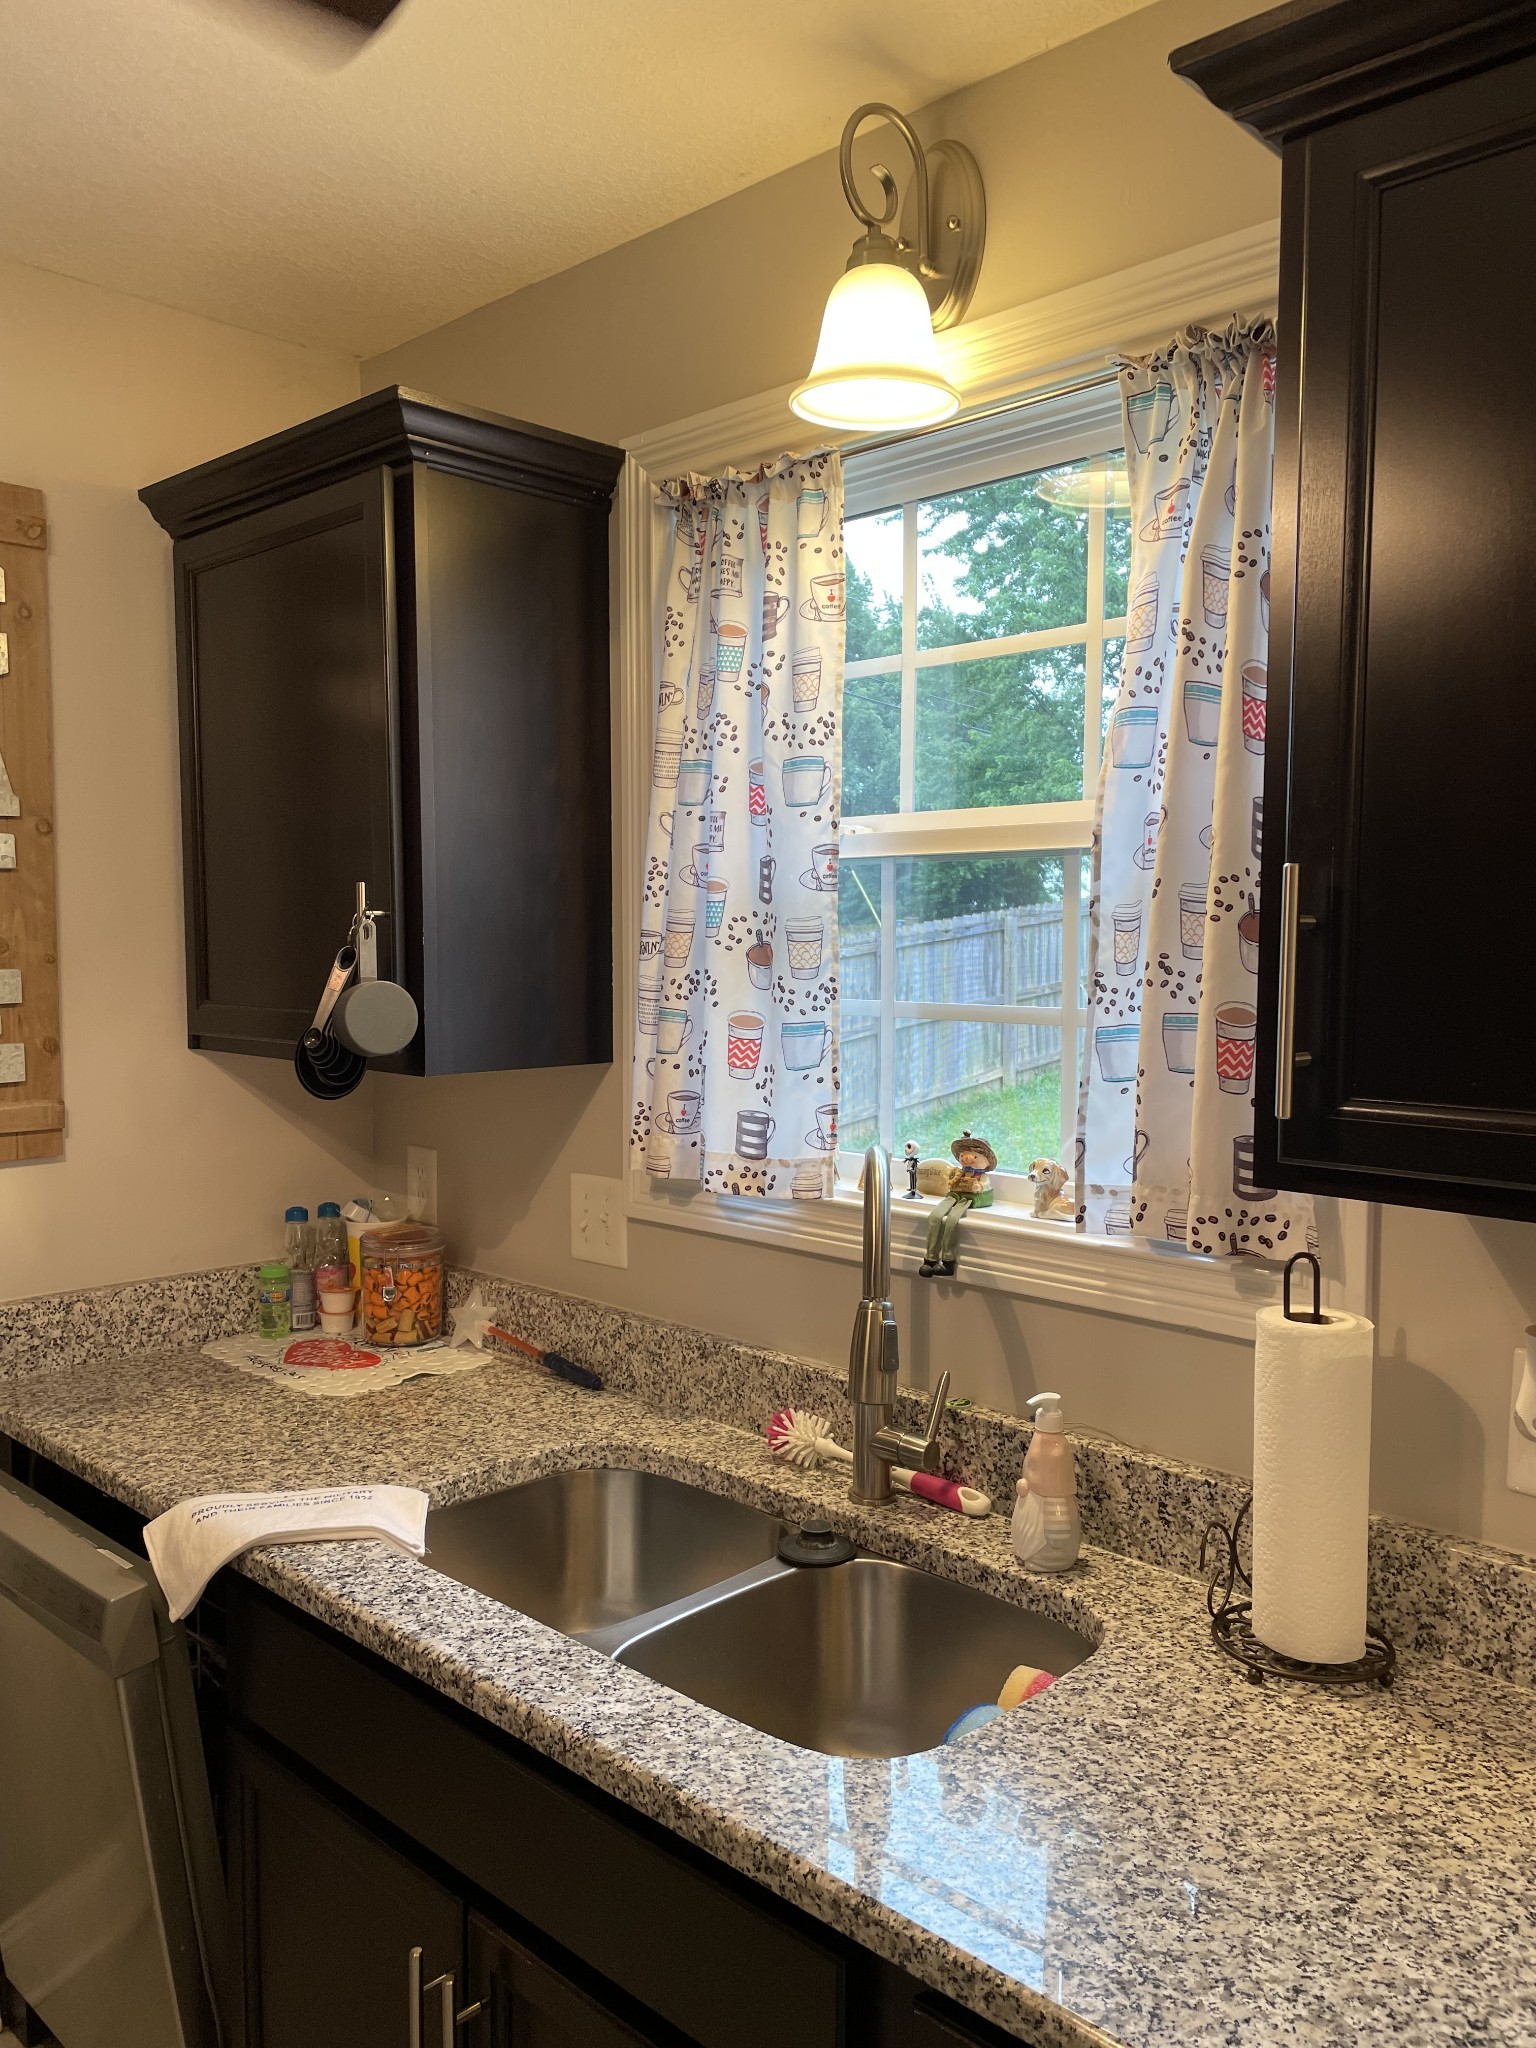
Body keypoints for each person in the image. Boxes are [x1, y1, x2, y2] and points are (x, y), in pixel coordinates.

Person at [919, 1131, 996, 1278]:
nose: (967, 1158)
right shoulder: (958, 1173)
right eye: (963, 1155)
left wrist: (976, 1187)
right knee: (935, 1217)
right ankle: (930, 1259)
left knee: (952, 1220)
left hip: (968, 1198)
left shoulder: (981, 1176)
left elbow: (983, 1186)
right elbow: (950, 1182)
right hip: (955, 1195)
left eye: (974, 1156)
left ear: (986, 1161)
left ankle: (948, 1261)